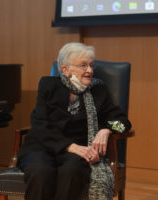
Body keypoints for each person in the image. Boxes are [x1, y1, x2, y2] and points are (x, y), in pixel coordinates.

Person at [17, 42, 132, 200]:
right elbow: (39, 124)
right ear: (65, 69)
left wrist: (106, 130)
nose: (90, 71)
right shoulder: (48, 85)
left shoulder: (98, 90)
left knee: (71, 171)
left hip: (79, 152)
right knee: (41, 172)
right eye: (83, 65)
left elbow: (123, 121)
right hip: (42, 146)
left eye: (91, 65)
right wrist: (70, 146)